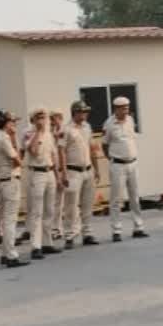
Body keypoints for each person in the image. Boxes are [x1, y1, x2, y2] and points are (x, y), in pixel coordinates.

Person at [103, 96, 148, 242]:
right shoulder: (109, 124)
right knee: (116, 199)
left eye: (127, 107)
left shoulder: (130, 120)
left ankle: (138, 227)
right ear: (116, 109)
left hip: (132, 163)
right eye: (123, 108)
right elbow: (105, 144)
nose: (126, 110)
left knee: (135, 197)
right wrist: (111, 158)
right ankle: (116, 230)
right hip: (117, 164)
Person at [60, 100, 100, 248]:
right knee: (71, 205)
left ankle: (87, 233)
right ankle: (69, 235)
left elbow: (92, 148)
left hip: (87, 169)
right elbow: (62, 151)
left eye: (86, 111)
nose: (85, 114)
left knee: (87, 204)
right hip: (73, 171)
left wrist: (96, 168)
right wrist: (63, 172)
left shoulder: (87, 127)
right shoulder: (66, 130)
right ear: (75, 113)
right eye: (82, 112)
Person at [0, 110, 27, 268]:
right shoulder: (4, 138)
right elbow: (18, 160)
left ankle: (5, 253)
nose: (15, 125)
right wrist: (13, 137)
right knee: (10, 221)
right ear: (7, 123)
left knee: (7, 219)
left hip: (2, 179)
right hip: (10, 179)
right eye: (13, 122)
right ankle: (11, 255)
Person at [24, 107, 62, 259]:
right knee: (37, 211)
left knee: (49, 210)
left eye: (44, 117)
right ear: (33, 120)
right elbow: (32, 151)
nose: (42, 120)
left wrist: (58, 175)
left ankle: (47, 243)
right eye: (38, 117)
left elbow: (53, 155)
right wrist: (38, 132)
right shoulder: (29, 134)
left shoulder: (49, 135)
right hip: (37, 173)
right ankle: (35, 246)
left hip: (49, 172)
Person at [49, 109, 67, 246]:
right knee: (56, 202)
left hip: (65, 168)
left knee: (62, 202)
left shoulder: (65, 131)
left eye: (54, 118)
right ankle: (55, 228)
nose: (52, 121)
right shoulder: (51, 134)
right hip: (56, 169)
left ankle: (60, 227)